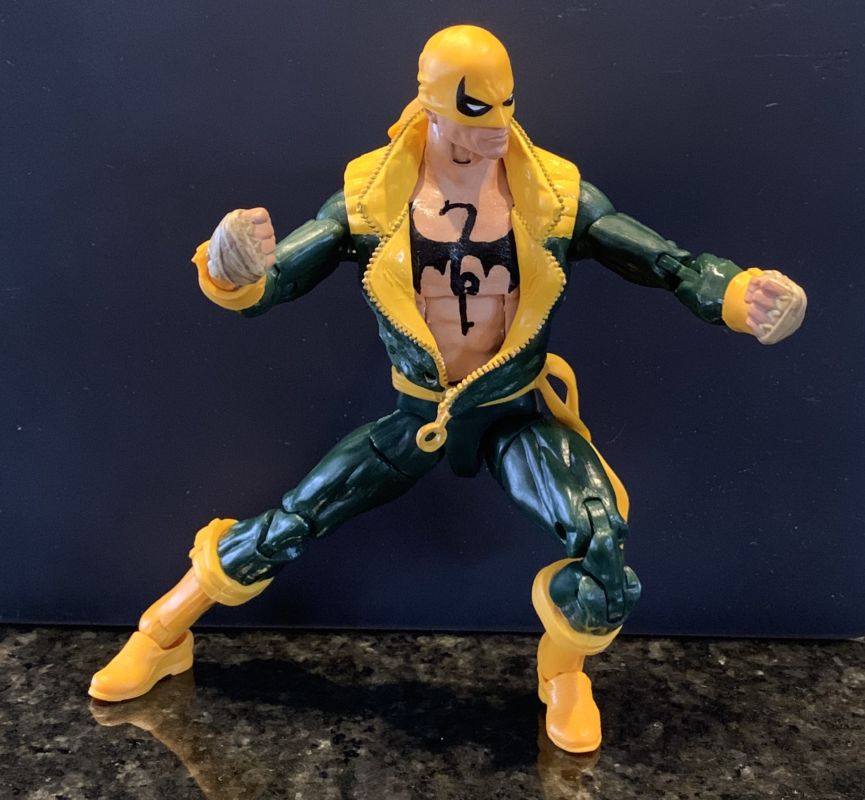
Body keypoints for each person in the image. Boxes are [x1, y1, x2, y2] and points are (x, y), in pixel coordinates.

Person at [90, 25, 807, 753]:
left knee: (601, 540)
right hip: (418, 414)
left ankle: (562, 674)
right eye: (471, 117)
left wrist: (736, 293)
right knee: (294, 521)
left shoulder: (554, 196)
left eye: (503, 111)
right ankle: (162, 632)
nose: (492, 135)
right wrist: (232, 271)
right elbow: (277, 280)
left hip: (511, 413)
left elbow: (664, 262)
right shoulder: (372, 199)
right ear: (428, 105)